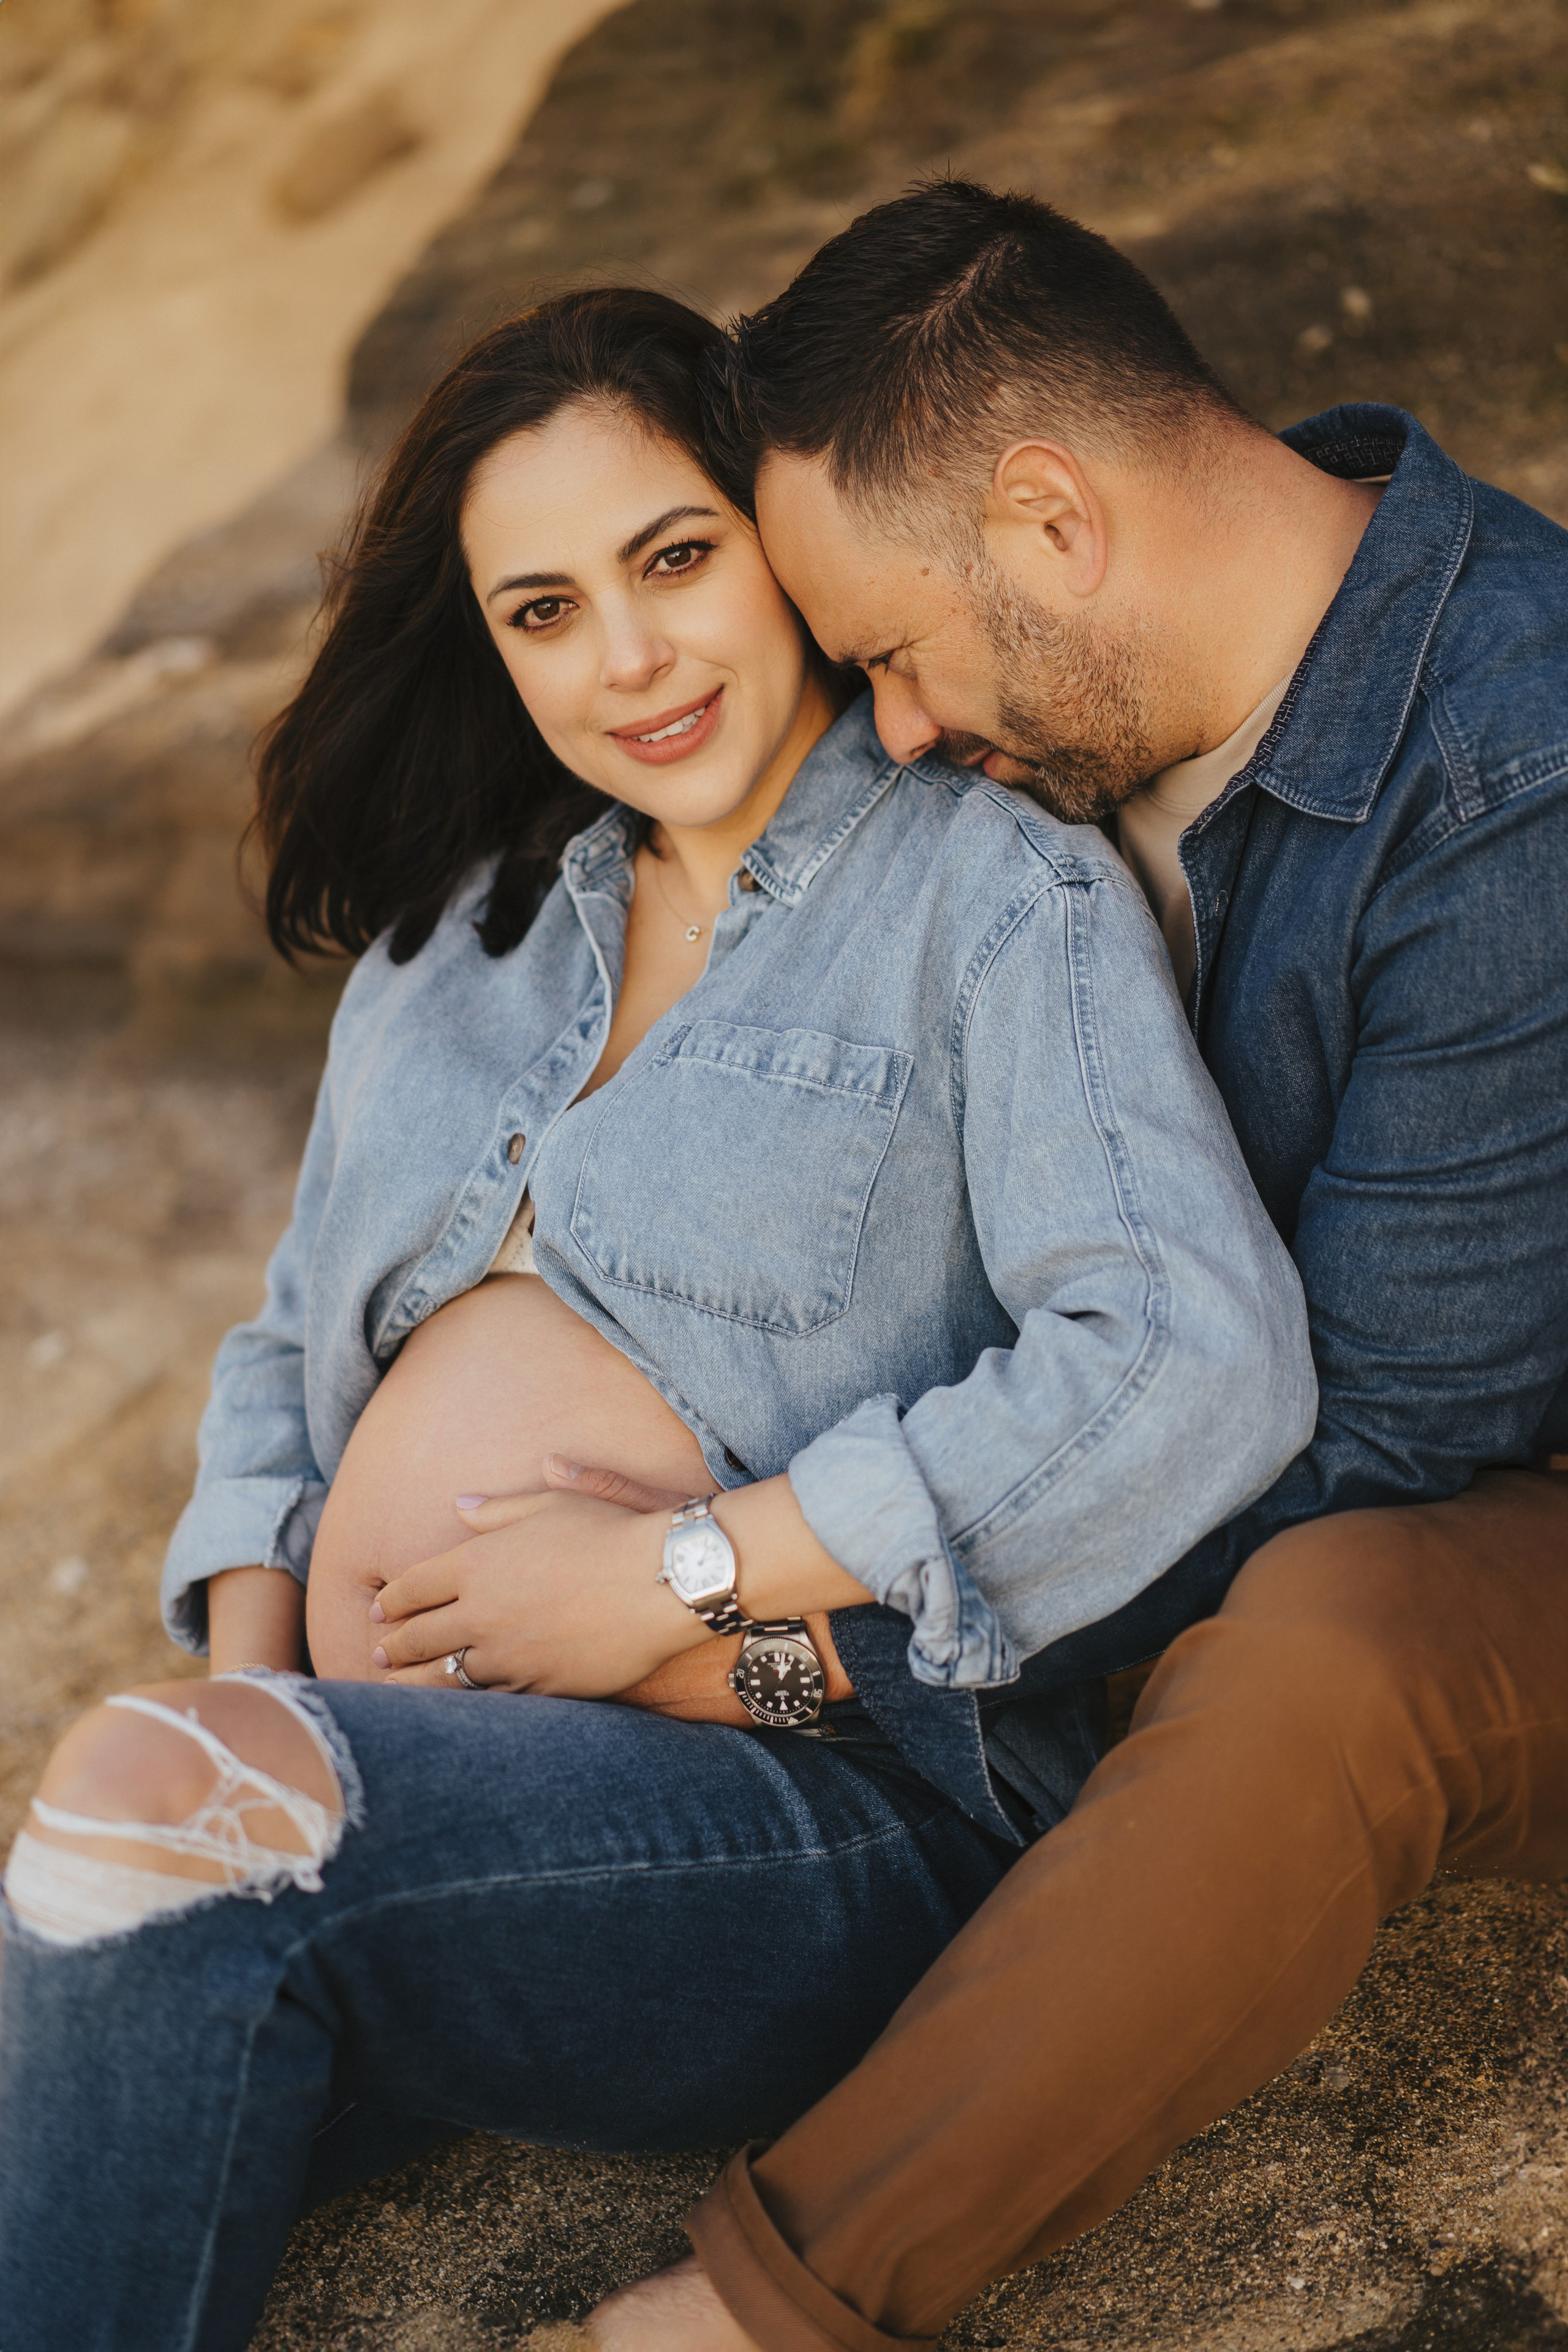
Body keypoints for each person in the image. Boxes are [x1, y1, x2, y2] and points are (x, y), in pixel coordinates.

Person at [0, 288, 1315, 2348]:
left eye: (674, 560)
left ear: (778, 539)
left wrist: (667, 1584)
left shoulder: (988, 898)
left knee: (158, 1830)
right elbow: (284, 1358)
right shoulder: (455, 944)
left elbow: (1184, 1356)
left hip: (810, 1767)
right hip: (404, 1783)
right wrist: (267, 1711)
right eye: (541, 610)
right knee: (131, 1872)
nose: (624, 659)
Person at [583, 181, 1568, 2352]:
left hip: (1487, 1508)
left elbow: (1369, 1446)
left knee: (1324, 1647)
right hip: (1184, 1481)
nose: (901, 732)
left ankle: (759, 2313)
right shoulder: (1083, 715)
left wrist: (789, 1638)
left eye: (895, 656)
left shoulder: (1522, 774)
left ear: (1052, 517)